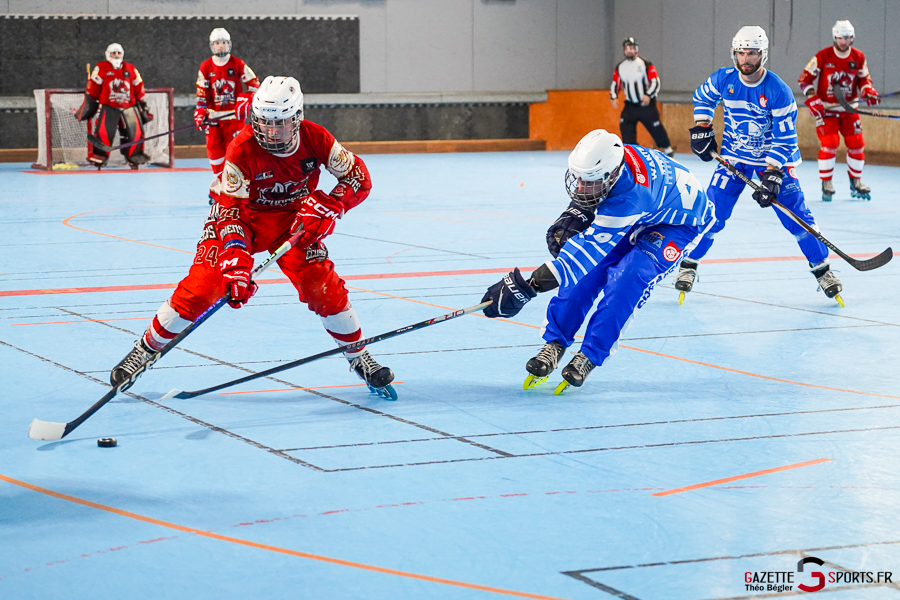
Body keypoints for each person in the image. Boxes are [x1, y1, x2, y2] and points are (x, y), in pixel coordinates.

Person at [110, 76, 397, 400]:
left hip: (293, 222)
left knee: (323, 287)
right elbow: (231, 212)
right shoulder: (241, 148)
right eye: (263, 123)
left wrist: (332, 204)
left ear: (297, 118)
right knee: (202, 288)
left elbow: (358, 177)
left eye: (280, 124)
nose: (271, 132)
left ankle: (359, 357)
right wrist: (235, 259)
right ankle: (144, 351)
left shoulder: (318, 138)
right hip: (244, 220)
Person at [479, 129, 715, 393]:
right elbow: (593, 199)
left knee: (628, 277)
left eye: (587, 182)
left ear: (612, 175)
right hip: (645, 212)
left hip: (678, 224)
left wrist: (527, 287)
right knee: (587, 275)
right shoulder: (611, 159)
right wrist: (575, 211)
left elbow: (582, 257)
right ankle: (555, 342)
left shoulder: (631, 196)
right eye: (577, 179)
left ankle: (590, 354)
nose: (580, 188)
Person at [675, 26, 844, 306]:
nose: (746, 59)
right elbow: (703, 97)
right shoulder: (724, 79)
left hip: (772, 160)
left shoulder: (778, 90)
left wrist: (774, 172)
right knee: (711, 216)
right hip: (733, 158)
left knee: (798, 218)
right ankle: (688, 265)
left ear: (762, 55)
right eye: (741, 52)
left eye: (752, 53)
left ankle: (823, 270)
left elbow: (786, 137)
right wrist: (703, 126)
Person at [798, 20, 880, 201]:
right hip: (827, 110)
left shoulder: (858, 56)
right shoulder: (824, 56)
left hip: (849, 109)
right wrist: (812, 97)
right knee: (830, 142)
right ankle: (826, 183)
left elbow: (864, 79)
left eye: (848, 38)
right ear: (835, 37)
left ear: (852, 38)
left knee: (857, 144)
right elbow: (804, 79)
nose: (844, 42)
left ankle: (856, 182)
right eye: (840, 38)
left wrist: (868, 90)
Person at [195, 28, 260, 203]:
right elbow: (202, 94)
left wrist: (246, 100)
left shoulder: (238, 64)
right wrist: (200, 112)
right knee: (215, 155)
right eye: (217, 43)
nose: (220, 46)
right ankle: (221, 185)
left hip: (233, 119)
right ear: (212, 45)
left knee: (236, 153)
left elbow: (254, 85)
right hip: (214, 119)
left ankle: (236, 186)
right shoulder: (205, 67)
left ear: (229, 44)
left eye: (223, 42)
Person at [75, 43, 153, 169]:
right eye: (113, 53)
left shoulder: (131, 68)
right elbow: (93, 87)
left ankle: (135, 156)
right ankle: (100, 157)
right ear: (108, 54)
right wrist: (91, 102)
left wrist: (142, 104)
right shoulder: (101, 68)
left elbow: (138, 86)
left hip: (129, 106)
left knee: (136, 133)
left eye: (118, 53)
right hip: (109, 106)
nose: (116, 56)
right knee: (104, 133)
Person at [610, 37, 674, 157]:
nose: (629, 50)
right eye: (627, 48)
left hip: (646, 105)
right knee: (625, 128)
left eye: (632, 48)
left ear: (636, 49)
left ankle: (667, 149)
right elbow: (615, 83)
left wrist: (648, 95)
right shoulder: (620, 66)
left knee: (655, 127)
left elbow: (655, 81)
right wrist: (614, 97)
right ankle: (634, 153)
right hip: (630, 105)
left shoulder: (645, 64)